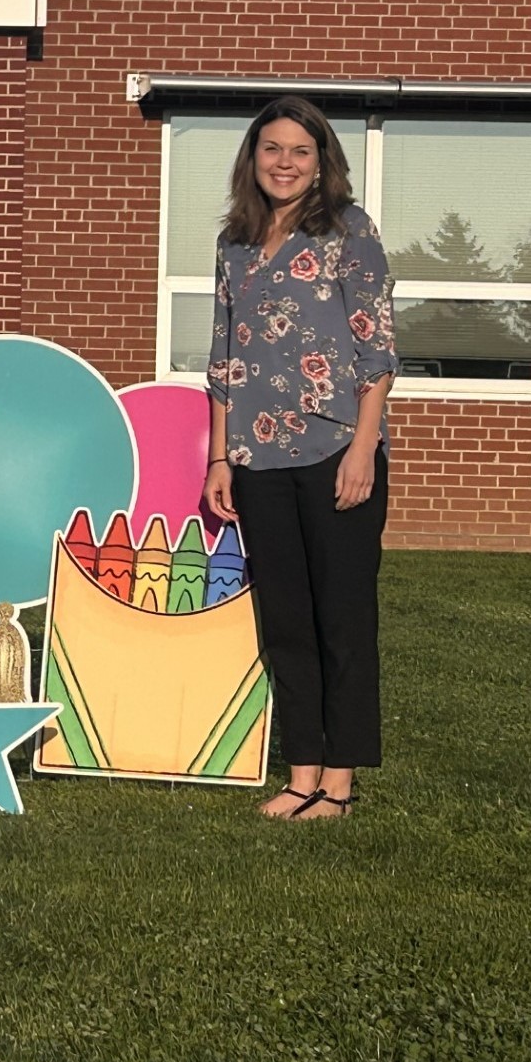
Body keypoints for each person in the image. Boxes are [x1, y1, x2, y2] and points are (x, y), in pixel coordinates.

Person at [200, 95, 397, 821]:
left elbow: (376, 349)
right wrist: (221, 459)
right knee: (285, 619)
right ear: (253, 158)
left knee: (340, 617)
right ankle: (300, 771)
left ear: (322, 162)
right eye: (272, 149)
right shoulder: (235, 242)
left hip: (335, 445)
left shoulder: (349, 231)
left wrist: (364, 447)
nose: (284, 162)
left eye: (300, 151)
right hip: (258, 457)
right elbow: (224, 359)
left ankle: (338, 784)